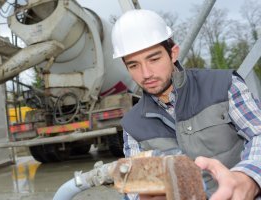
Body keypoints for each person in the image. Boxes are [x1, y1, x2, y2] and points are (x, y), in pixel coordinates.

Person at [111, 9, 261, 200]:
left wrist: (248, 179)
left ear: (173, 53)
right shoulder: (132, 125)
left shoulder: (224, 86)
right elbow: (133, 188)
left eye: (154, 59)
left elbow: (258, 134)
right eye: (134, 65)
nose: (146, 73)